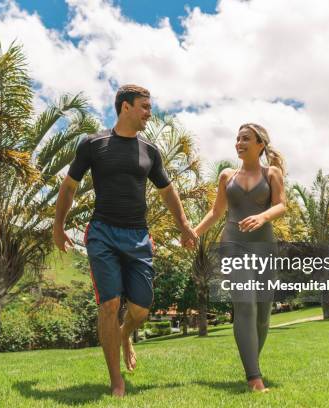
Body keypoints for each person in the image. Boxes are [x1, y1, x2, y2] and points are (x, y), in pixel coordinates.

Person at [53, 84, 197, 397]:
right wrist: (58, 225)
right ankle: (116, 382)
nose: (149, 113)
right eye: (144, 107)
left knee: (141, 310)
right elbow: (68, 187)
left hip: (138, 236)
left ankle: (125, 334)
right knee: (110, 303)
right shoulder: (94, 144)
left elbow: (167, 191)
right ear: (126, 107)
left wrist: (184, 225)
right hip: (103, 232)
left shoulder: (150, 151)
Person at [194, 123, 286, 392]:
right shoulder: (227, 175)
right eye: (237, 139)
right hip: (233, 245)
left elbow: (281, 204)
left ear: (260, 144)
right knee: (245, 306)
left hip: (264, 247)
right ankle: (254, 377)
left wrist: (262, 216)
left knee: (263, 315)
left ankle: (251, 363)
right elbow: (216, 212)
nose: (239, 143)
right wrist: (194, 233)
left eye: (246, 138)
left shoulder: (272, 173)